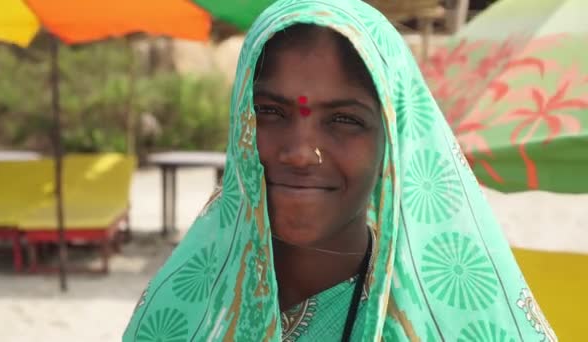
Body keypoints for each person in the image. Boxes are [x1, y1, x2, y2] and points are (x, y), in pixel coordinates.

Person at [123, 0, 556, 341]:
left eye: (344, 120)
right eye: (270, 112)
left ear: (393, 139)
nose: (299, 152)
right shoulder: (180, 309)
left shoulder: (465, 319)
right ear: (241, 123)